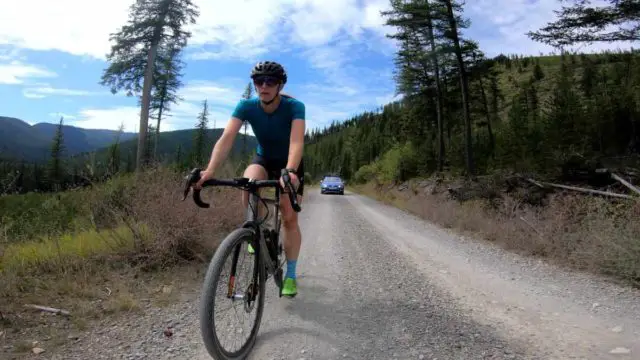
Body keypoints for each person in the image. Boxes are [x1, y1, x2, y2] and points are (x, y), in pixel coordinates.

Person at [194, 60, 305, 298]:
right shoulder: (246, 106)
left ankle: (291, 275)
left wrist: (291, 170)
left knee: (288, 216)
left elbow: (296, 142)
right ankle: (258, 231)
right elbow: (226, 138)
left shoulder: (295, 107)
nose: (264, 86)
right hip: (263, 159)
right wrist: (210, 170)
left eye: (270, 81)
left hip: (290, 164)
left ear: (280, 85)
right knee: (248, 182)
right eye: (258, 81)